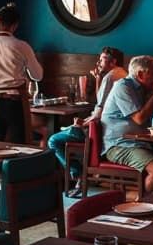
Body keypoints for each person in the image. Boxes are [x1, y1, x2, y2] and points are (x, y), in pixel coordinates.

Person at [0, 2, 43, 188]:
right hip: (16, 101)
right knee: (18, 148)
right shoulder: (21, 46)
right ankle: (16, 188)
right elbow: (38, 75)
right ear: (15, 25)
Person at [47, 47, 127, 198]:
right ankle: (83, 175)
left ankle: (79, 175)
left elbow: (99, 112)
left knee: (53, 140)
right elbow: (101, 101)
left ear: (113, 61)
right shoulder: (123, 74)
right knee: (67, 131)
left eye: (102, 59)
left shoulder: (110, 77)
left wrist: (82, 123)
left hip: (98, 132)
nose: (98, 62)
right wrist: (98, 78)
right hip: (110, 129)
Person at [101, 55, 153, 194]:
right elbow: (139, 118)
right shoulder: (123, 86)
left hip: (144, 142)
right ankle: (143, 204)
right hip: (119, 144)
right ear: (140, 74)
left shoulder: (148, 89)